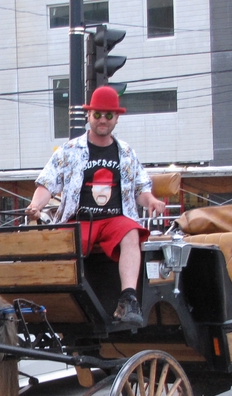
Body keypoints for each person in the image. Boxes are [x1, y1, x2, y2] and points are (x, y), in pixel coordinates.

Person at [25, 85, 166, 327]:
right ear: (89, 116)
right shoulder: (69, 150)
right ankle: (56, 299)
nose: (103, 119)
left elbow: (141, 188)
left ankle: (128, 298)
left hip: (114, 219)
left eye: (108, 115)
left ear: (116, 119)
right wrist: (36, 205)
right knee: (59, 244)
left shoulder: (126, 153)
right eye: (98, 114)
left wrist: (151, 200)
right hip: (79, 219)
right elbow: (48, 183)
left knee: (132, 231)